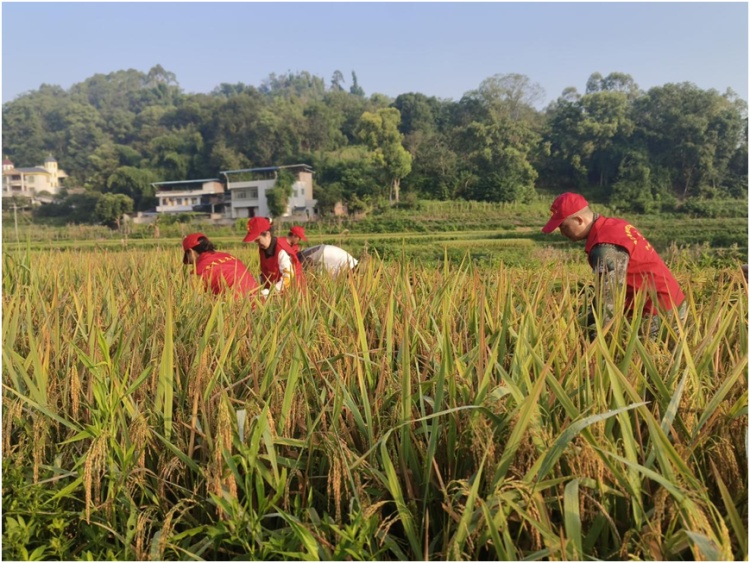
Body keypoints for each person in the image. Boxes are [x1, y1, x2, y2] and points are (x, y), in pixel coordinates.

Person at [541, 192, 686, 337]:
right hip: (672, 302)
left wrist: (596, 343)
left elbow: (609, 303)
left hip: (657, 312)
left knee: (630, 354)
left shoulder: (605, 247)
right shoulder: (614, 226)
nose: (562, 232)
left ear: (579, 220)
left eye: (564, 227)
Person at [182, 232, 259, 297]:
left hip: (234, 310)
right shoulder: (230, 257)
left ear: (191, 252)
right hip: (260, 301)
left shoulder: (197, 273)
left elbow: (196, 303)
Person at [243, 217, 305, 297]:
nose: (258, 243)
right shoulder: (263, 248)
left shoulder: (281, 250)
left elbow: (288, 278)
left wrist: (268, 292)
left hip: (293, 294)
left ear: (268, 235)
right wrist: (252, 282)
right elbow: (267, 273)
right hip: (276, 292)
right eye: (256, 241)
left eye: (258, 240)